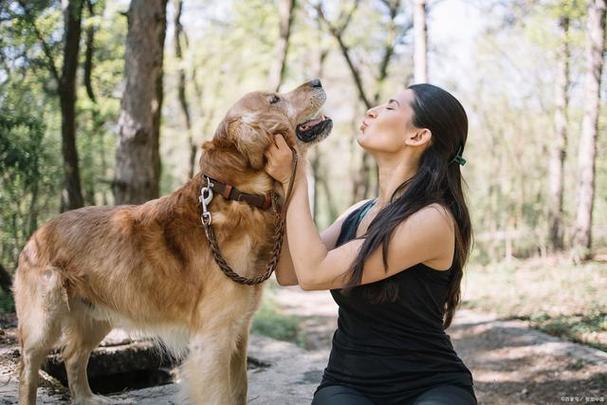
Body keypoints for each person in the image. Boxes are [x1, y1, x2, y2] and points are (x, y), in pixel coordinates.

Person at [264, 83, 477, 405]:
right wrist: (280, 184)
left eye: (390, 107)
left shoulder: (434, 219)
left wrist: (295, 176)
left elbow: (314, 273)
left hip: (429, 385)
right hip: (347, 385)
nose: (372, 111)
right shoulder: (358, 211)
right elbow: (291, 271)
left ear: (418, 136)